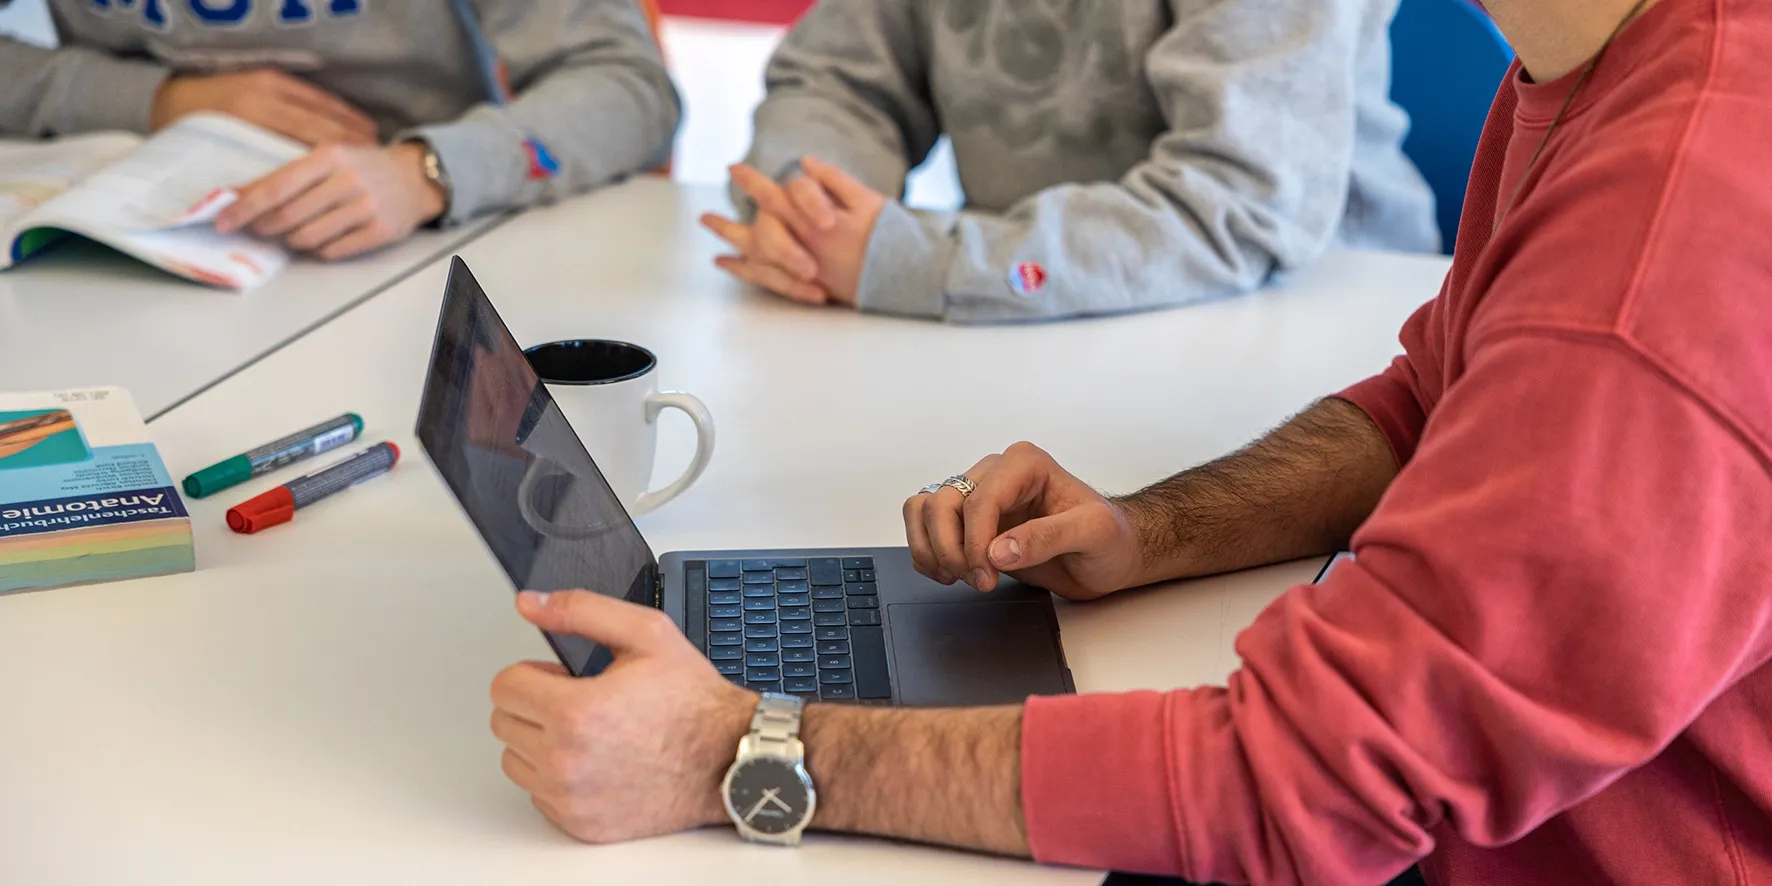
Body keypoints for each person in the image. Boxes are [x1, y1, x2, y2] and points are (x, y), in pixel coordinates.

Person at [487, 0, 1772, 883]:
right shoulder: (1601, 65)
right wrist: (1151, 530)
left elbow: (1304, 786)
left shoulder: (1664, 236)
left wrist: (728, 752)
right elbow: (1429, 400)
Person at [699, 0, 1439, 323]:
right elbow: (837, 77)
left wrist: (915, 263)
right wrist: (816, 214)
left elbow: (1239, 205)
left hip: (1304, 317)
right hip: (1033, 309)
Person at [0, 0, 678, 260]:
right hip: (113, 235)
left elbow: (630, 90)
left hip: (414, 248)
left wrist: (427, 173)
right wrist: (152, 100)